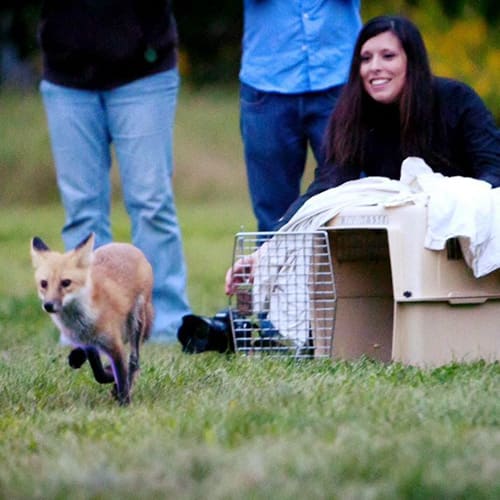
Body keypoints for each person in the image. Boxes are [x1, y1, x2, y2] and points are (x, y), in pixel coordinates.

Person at [177, 15, 500, 354]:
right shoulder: (353, 113)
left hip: (453, 233)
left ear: (412, 61)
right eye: (365, 58)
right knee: (326, 214)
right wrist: (266, 252)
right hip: (395, 245)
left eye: (388, 56)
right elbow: (326, 187)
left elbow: (493, 170)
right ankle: (245, 326)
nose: (374, 67)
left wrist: (446, 201)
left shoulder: (456, 99)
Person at [38, 1, 190, 342]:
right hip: (67, 74)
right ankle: (88, 321)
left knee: (152, 202)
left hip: (144, 71)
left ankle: (164, 321)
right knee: (82, 211)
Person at [240, 0, 362, 232]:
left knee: (355, 204)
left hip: (340, 77)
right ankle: (276, 267)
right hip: (267, 81)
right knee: (274, 218)